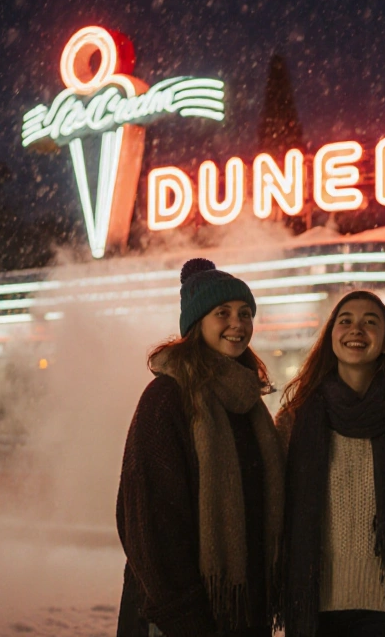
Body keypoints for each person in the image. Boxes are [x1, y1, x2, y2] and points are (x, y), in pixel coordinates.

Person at [116, 258, 285, 637]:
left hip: (243, 611)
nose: (237, 324)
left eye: (245, 313)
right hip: (177, 618)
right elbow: (149, 523)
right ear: (196, 323)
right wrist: (186, 618)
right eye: (222, 312)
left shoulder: (249, 403)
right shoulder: (167, 397)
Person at [277, 290, 385, 637]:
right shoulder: (295, 422)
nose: (356, 330)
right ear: (330, 337)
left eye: (370, 322)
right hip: (313, 599)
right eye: (346, 321)